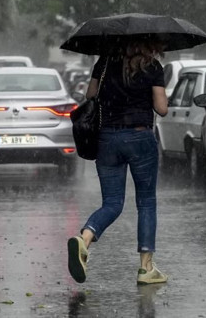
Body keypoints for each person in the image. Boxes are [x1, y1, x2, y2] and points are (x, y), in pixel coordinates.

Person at [67, 39, 169, 285]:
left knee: (112, 203)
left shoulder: (103, 65)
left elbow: (90, 97)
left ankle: (85, 238)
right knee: (146, 202)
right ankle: (146, 268)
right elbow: (162, 108)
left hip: (108, 138)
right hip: (140, 136)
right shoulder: (152, 67)